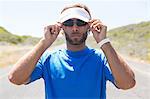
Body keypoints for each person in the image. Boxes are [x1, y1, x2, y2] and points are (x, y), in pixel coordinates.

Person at [8, 3, 136, 99]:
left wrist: (104, 42)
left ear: (89, 26)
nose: (75, 28)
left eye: (80, 22)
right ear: (61, 27)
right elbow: (15, 78)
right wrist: (44, 42)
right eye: (69, 22)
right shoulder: (48, 59)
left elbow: (128, 84)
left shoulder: (102, 59)